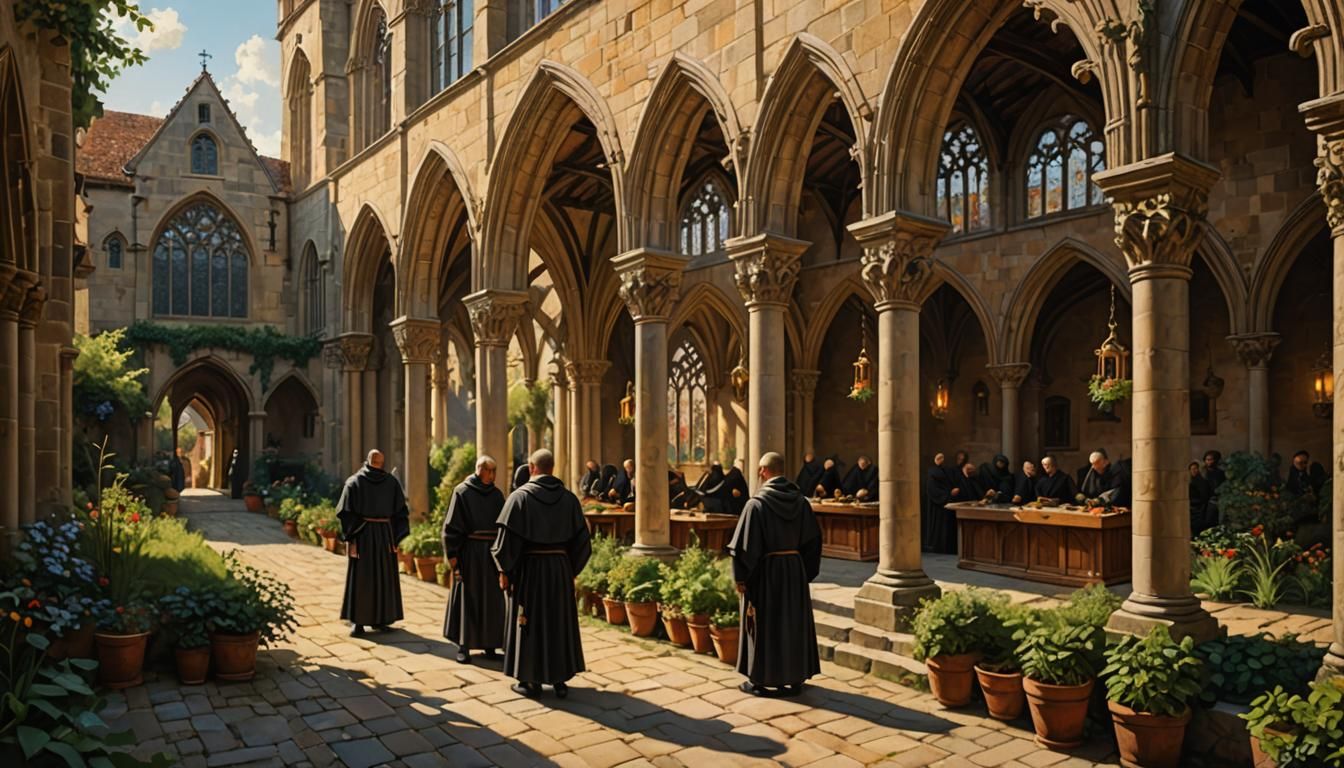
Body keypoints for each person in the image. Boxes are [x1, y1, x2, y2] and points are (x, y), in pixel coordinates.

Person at [492, 449, 591, 698]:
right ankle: (560, 680)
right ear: (552, 468)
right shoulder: (569, 499)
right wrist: (570, 569)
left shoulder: (519, 498)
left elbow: (506, 541)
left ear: (531, 467)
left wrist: (505, 570)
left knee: (530, 623)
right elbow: (583, 542)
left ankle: (530, 682)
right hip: (559, 570)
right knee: (558, 622)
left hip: (530, 571)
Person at [728, 452, 822, 698]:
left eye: (760, 469)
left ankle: (760, 680)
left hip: (766, 573)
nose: (759, 472)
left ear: (764, 471)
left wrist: (741, 578)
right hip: (794, 571)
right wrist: (803, 572)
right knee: (792, 624)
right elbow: (813, 541)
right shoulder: (802, 502)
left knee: (766, 625)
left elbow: (744, 549)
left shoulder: (756, 504)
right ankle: (795, 678)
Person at [337, 449, 410, 636]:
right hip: (382, 535)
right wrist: (396, 536)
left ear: (367, 461)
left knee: (364, 579)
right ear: (380, 462)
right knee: (379, 577)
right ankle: (373, 621)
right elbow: (401, 513)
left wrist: (351, 535)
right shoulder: (389, 482)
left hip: (365, 534)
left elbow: (345, 513)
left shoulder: (354, 482)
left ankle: (366, 622)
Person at [442, 455, 507, 664]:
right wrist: (453, 557)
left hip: (491, 555)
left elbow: (504, 526)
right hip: (470, 554)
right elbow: (451, 527)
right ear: (480, 470)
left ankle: (490, 645)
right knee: (468, 599)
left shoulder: (497, 495)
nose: (493, 475)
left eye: (494, 471)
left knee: (491, 601)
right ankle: (464, 646)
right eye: (490, 471)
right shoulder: (462, 492)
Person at [923, 453, 954, 553]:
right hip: (936, 506)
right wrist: (948, 494)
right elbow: (933, 491)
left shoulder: (944, 471)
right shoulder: (932, 474)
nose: (941, 459)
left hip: (944, 504)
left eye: (942, 458)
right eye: (939, 458)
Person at [1189, 462, 1213, 536]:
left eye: (1195, 469)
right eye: (1192, 469)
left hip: (1200, 509)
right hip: (1192, 509)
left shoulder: (1203, 482)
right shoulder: (1189, 482)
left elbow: (1205, 496)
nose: (1194, 471)